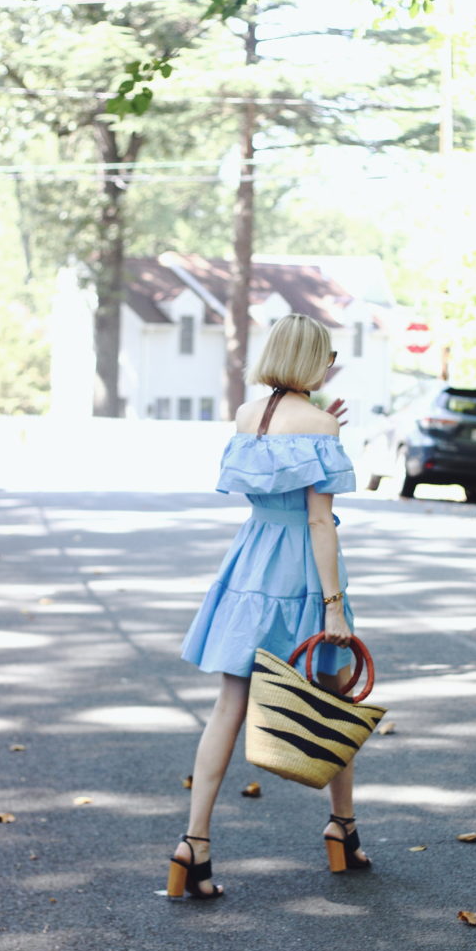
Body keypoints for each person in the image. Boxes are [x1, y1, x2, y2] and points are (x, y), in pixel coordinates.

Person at [167, 312, 370, 900]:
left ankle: (194, 843)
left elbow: (274, 474)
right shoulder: (320, 428)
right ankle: (342, 830)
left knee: (230, 700)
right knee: (331, 694)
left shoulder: (248, 416)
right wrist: (333, 606)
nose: (331, 368)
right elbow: (317, 521)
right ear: (314, 361)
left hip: (252, 561)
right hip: (303, 568)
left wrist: (317, 431)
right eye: (328, 358)